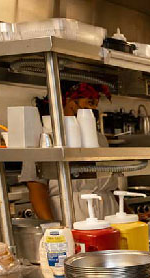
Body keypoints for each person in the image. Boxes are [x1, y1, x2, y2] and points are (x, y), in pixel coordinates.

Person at [22, 82, 118, 222]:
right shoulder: (44, 137)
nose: (92, 111)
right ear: (68, 102)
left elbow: (111, 188)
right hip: (70, 214)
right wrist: (54, 228)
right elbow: (37, 188)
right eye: (88, 104)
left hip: (109, 213)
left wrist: (127, 214)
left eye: (95, 106)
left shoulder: (99, 138)